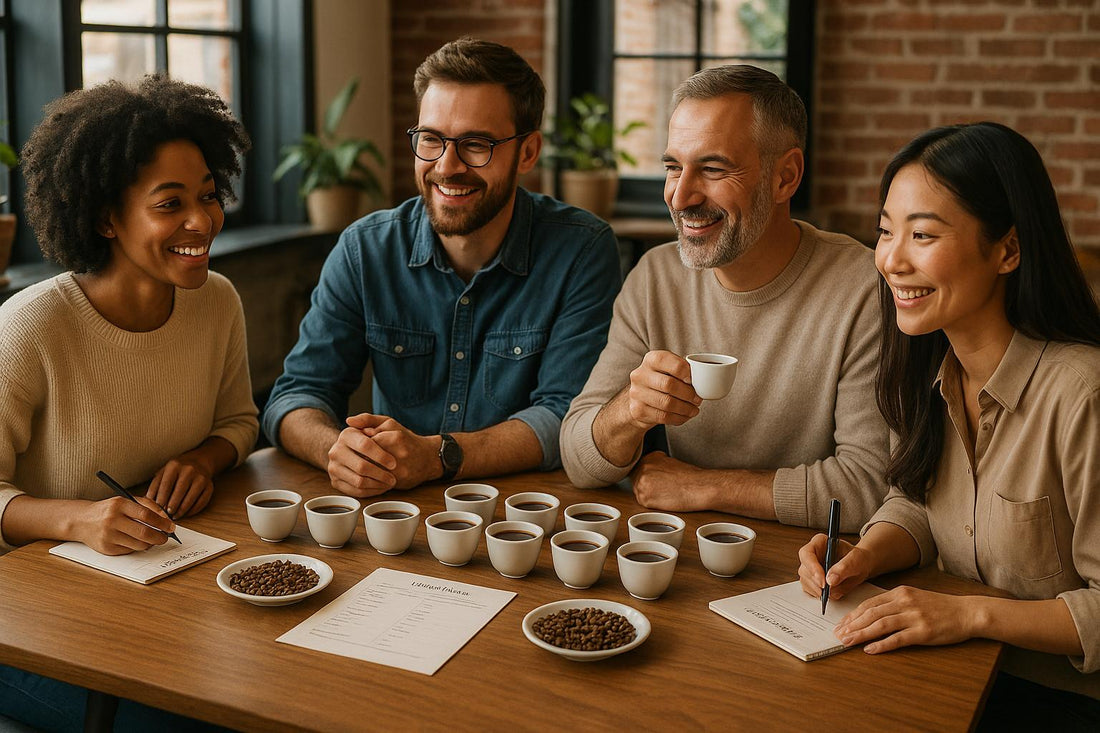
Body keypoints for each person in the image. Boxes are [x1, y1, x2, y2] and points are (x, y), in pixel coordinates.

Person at [797, 122, 1100, 726]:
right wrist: (864, 555)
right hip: (953, 677)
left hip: (1059, 702)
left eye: (923, 235)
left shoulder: (1082, 394)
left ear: (1007, 250)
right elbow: (922, 505)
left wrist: (967, 614)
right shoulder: (926, 369)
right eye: (885, 232)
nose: (891, 259)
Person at [0, 76, 256, 730]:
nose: (202, 221)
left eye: (207, 196)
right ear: (105, 217)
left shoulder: (217, 300)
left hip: (151, 596)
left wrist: (204, 457)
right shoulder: (31, 328)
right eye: (170, 204)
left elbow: (240, 420)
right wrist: (79, 520)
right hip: (27, 624)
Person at [263, 38, 620, 496]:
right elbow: (295, 397)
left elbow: (566, 416)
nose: (446, 167)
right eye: (431, 139)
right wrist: (338, 450)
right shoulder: (363, 250)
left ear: (528, 153)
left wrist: (438, 456)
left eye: (475, 144)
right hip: (393, 516)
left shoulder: (582, 251)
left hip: (524, 519)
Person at [560, 65, 888, 531]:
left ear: (785, 177)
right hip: (685, 558)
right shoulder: (655, 275)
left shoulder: (862, 290)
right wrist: (630, 411)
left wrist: (705, 487)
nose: (680, 196)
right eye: (673, 167)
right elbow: (577, 456)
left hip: (806, 569)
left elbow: (868, 488)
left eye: (712, 169)